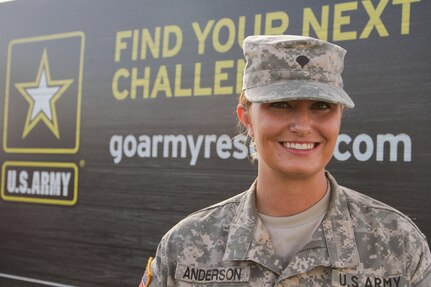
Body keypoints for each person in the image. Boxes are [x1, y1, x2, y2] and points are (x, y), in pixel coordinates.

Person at [139, 35, 431, 287]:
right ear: (247, 119)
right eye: (280, 105)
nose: (303, 125)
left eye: (321, 106)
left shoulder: (399, 243)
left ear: (339, 117)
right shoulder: (186, 244)